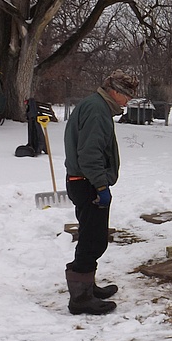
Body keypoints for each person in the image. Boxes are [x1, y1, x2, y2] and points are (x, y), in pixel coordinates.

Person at [63, 70, 138, 315]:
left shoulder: (96, 106)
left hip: (84, 181)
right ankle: (80, 299)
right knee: (92, 240)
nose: (128, 101)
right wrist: (101, 186)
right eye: (127, 95)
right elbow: (90, 154)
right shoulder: (97, 110)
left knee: (91, 236)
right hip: (87, 183)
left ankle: (86, 287)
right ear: (114, 91)